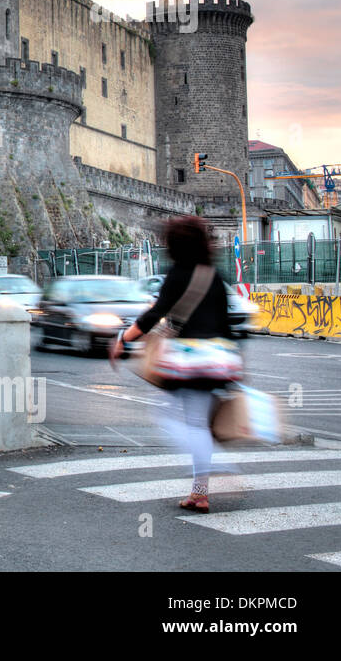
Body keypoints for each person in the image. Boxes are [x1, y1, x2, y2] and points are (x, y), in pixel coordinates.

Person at [111, 216, 238, 513]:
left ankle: (216, 467)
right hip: (219, 358)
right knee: (197, 423)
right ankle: (199, 492)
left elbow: (156, 313)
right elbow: (226, 323)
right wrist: (235, 368)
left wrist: (123, 340)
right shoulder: (214, 275)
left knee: (170, 418)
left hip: (189, 360)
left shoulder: (178, 273)